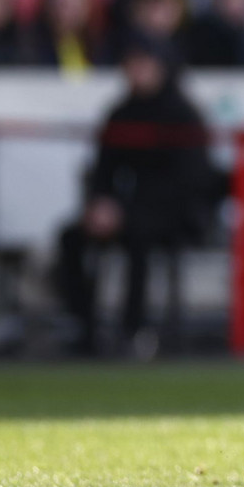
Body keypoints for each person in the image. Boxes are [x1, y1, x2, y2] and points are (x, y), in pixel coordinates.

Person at [53, 33, 217, 357]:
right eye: (131, 64)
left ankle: (134, 329)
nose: (137, 71)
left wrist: (124, 211)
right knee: (70, 237)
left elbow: (190, 181)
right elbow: (104, 169)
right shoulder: (121, 112)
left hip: (175, 214)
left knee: (137, 236)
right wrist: (100, 204)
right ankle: (83, 326)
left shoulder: (182, 114)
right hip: (126, 211)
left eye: (144, 63)